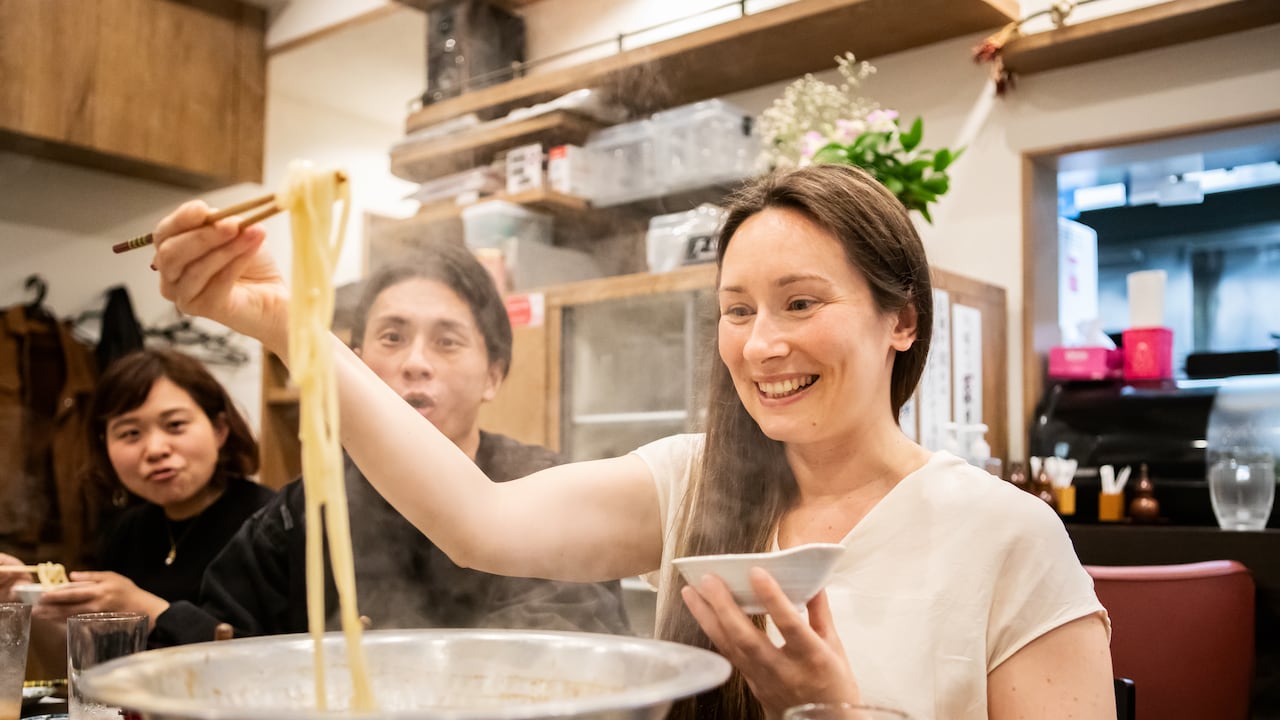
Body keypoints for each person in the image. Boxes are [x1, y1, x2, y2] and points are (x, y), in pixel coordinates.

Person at [151, 164, 1114, 719]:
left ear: (901, 320)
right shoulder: (694, 481)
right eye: (737, 310)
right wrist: (290, 329)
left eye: (801, 303)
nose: (761, 345)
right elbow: (476, 521)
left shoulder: (1007, 537)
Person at [148, 240, 630, 645]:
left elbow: (575, 642)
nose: (416, 363)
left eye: (447, 341)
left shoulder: (543, 490)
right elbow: (225, 651)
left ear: (493, 376)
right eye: (393, 337)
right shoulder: (304, 510)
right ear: (352, 366)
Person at [0, 347, 274, 663]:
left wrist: (142, 608)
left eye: (175, 425)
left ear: (220, 429)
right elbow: (88, 665)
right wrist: (25, 602)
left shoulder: (269, 524)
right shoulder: (126, 531)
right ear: (105, 446)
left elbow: (267, 661)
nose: (155, 449)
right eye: (130, 433)